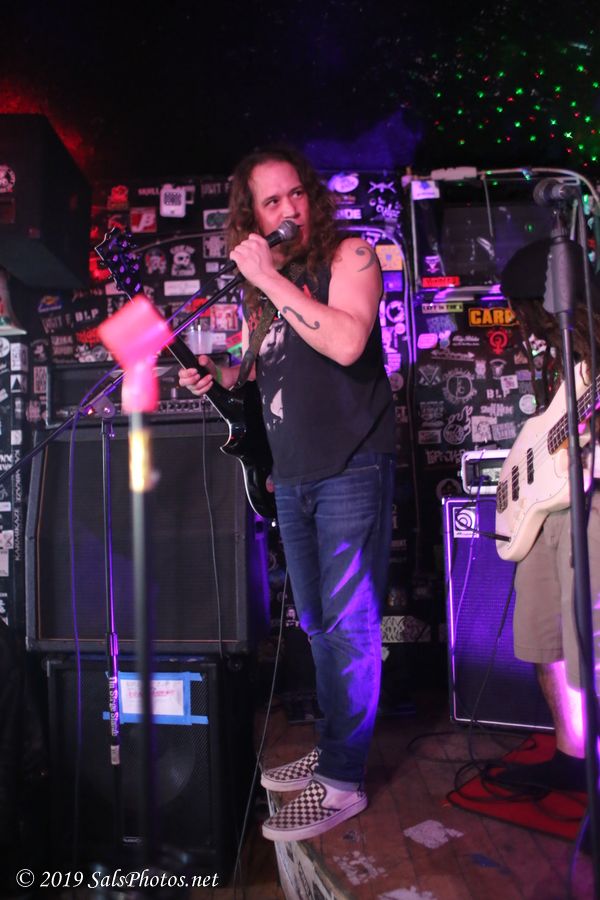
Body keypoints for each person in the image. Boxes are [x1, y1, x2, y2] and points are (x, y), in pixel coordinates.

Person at [179, 147, 395, 841]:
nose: (289, 209)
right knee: (319, 626)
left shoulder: (351, 257)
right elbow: (266, 385)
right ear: (251, 215)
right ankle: (335, 748)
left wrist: (270, 280)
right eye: (271, 202)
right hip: (294, 477)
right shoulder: (265, 296)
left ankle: (344, 781)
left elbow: (346, 342)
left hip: (351, 467)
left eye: (296, 194)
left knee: (350, 627)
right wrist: (218, 378)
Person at [492, 237, 600, 794]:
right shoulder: (565, 358)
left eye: (521, 311)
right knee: (542, 637)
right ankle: (570, 753)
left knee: (590, 641)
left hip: (593, 501)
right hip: (549, 504)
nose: (521, 325)